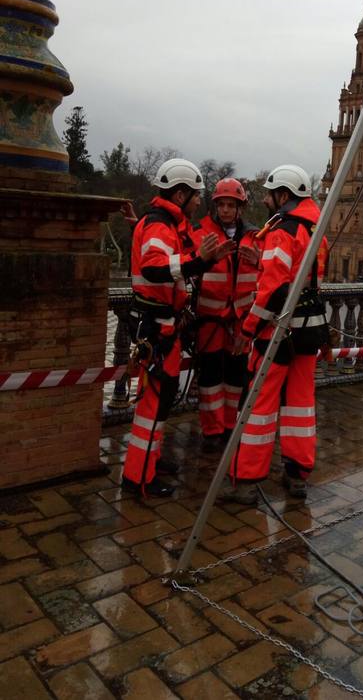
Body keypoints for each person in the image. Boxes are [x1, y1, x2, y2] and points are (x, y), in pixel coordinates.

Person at [122, 158, 229, 498]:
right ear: (181, 193)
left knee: (161, 399)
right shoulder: (159, 226)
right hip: (157, 328)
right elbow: (155, 268)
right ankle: (139, 477)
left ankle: (150, 461)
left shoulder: (163, 224)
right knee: (154, 403)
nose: (199, 201)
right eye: (196, 194)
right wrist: (200, 262)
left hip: (163, 325)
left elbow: (162, 258)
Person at [228, 164, 329, 504]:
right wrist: (263, 261)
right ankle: (297, 475)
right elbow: (303, 277)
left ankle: (246, 481)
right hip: (310, 329)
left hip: (278, 332)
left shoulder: (282, 231)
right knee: (300, 404)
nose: (268, 202)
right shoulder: (316, 229)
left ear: (283, 195)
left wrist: (247, 329)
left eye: (272, 195)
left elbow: (272, 290)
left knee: (259, 406)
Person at [193, 178, 260, 452]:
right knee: (209, 379)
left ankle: (231, 427)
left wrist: (258, 261)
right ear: (215, 206)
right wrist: (204, 257)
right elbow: (188, 266)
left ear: (240, 207)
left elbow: (271, 271)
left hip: (240, 321)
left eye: (231, 205)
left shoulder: (255, 237)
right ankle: (212, 431)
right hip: (210, 320)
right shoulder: (201, 232)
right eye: (221, 205)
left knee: (236, 379)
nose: (226, 210)